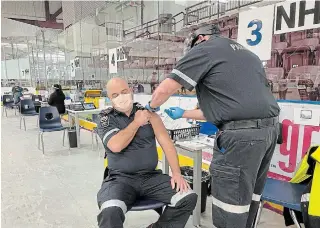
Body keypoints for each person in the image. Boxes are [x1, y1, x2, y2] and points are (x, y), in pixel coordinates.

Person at [145, 24, 280, 228]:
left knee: (230, 205)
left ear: (200, 39)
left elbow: (164, 90)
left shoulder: (204, 49)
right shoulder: (246, 54)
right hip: (268, 133)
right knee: (249, 198)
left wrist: (149, 107)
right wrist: (184, 113)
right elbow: (228, 109)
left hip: (241, 139)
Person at [96, 78, 197, 228]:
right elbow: (116, 146)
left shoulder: (149, 115)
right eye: (115, 95)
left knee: (187, 197)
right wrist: (137, 122)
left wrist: (176, 173)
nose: (121, 97)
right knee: (110, 211)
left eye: (124, 92)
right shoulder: (106, 118)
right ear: (110, 99)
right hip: (120, 179)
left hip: (151, 177)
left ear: (130, 91)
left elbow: (167, 143)